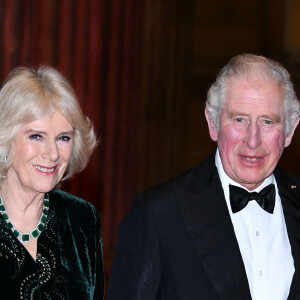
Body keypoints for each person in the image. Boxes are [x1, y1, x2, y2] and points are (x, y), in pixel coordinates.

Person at [107, 54, 300, 300]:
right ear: (213, 122)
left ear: (289, 130)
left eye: (268, 121)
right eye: (239, 119)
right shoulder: (160, 215)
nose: (253, 140)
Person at [0, 66, 104, 299]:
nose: (53, 153)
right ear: (6, 137)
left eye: (63, 138)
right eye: (36, 136)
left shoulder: (82, 218)